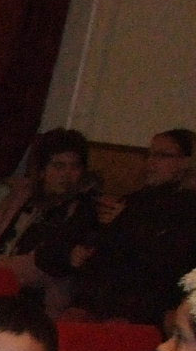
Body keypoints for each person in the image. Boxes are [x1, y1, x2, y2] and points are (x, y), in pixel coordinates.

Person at [0, 130, 96, 305]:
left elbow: (51, 258)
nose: (67, 174)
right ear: (42, 171)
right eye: (59, 166)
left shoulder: (83, 208)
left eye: (75, 167)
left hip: (30, 293)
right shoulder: (24, 195)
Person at [68, 127, 196, 326]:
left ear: (187, 162)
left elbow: (165, 266)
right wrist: (84, 251)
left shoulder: (187, 209)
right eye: (149, 155)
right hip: (110, 294)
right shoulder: (138, 199)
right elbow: (107, 247)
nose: (151, 162)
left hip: (150, 303)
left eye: (162, 156)